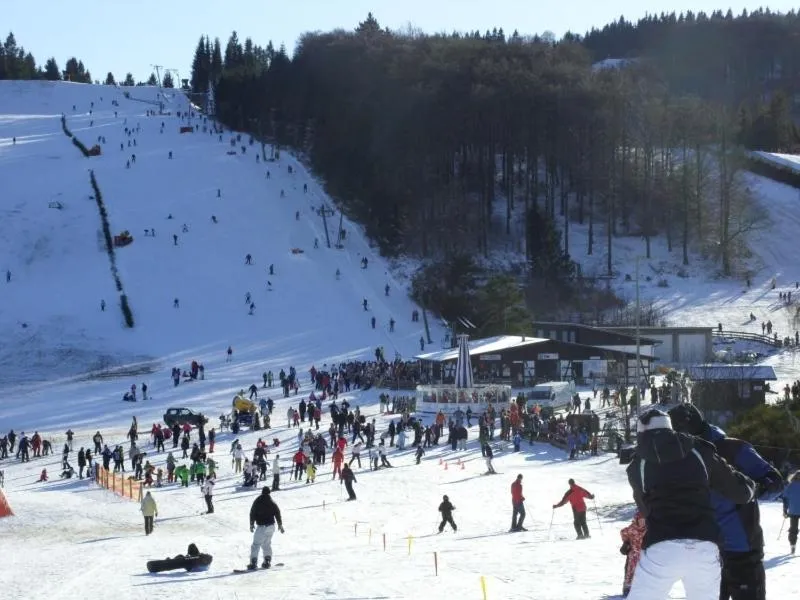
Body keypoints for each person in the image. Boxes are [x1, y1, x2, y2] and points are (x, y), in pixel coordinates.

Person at [625, 409, 756, 600]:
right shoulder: (699, 451)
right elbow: (740, 491)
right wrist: (752, 486)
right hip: (704, 546)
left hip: (662, 547)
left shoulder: (637, 465)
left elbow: (645, 510)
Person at [668, 403, 782, 600]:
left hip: (742, 550)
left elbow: (775, 481)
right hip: (704, 553)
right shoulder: (682, 457)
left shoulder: (733, 449)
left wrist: (752, 489)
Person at [248, 487, 284, 570]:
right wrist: (280, 524)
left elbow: (252, 512)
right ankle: (267, 560)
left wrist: (251, 524)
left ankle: (253, 562)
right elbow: (277, 512)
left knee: (256, 545)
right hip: (271, 526)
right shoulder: (272, 502)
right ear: (269, 492)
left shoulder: (258, 501)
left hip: (262, 527)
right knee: (266, 544)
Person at [620, 512, 646, 597]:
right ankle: (627, 588)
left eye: (644, 521)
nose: (642, 523)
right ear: (637, 520)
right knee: (630, 571)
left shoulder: (648, 530)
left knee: (644, 572)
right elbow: (623, 532)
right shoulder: (632, 529)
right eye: (641, 520)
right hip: (633, 554)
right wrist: (626, 542)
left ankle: (643, 588)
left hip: (644, 554)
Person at [781, 471, 800, 554]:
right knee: (793, 529)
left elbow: (785, 498)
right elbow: (785, 498)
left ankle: (792, 545)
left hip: (793, 511)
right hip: (793, 511)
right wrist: (785, 509)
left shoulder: (790, 485)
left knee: (793, 529)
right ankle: (792, 545)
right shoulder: (790, 486)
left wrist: (785, 510)